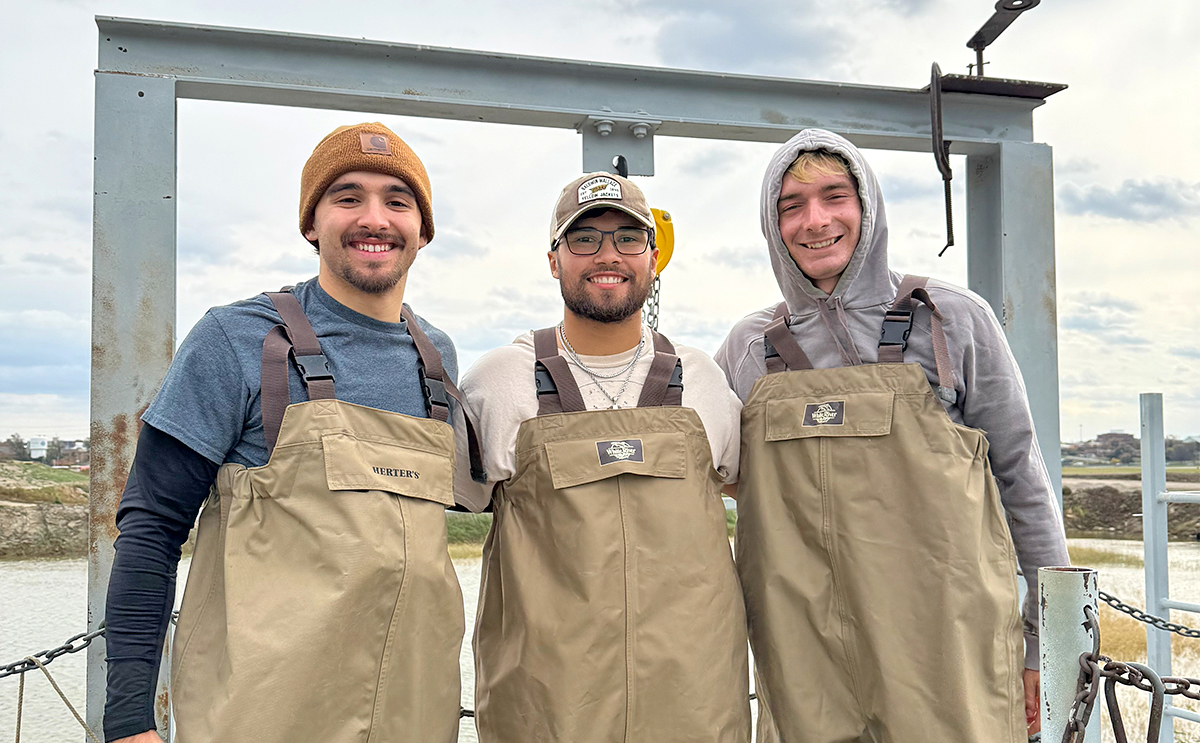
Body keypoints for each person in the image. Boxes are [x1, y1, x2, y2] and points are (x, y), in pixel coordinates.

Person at [103, 122, 485, 743]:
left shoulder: (436, 358)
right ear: (312, 223)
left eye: (397, 200)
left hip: (415, 714)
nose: (374, 218)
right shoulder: (235, 338)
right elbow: (151, 529)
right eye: (347, 197)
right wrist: (127, 720)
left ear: (423, 229)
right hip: (260, 717)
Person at [715, 129, 1070, 743]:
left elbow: (1021, 481)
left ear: (868, 207)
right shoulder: (750, 350)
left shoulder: (953, 318)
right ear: (771, 226)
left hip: (948, 650)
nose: (815, 220)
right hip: (806, 664)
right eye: (790, 205)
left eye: (835, 196)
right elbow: (699, 484)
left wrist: (1046, 643)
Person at [459, 172, 750, 743]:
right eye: (584, 239)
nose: (607, 255)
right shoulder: (497, 382)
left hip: (697, 707)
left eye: (628, 239)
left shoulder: (707, 383)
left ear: (653, 255)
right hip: (543, 713)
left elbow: (750, 495)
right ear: (553, 260)